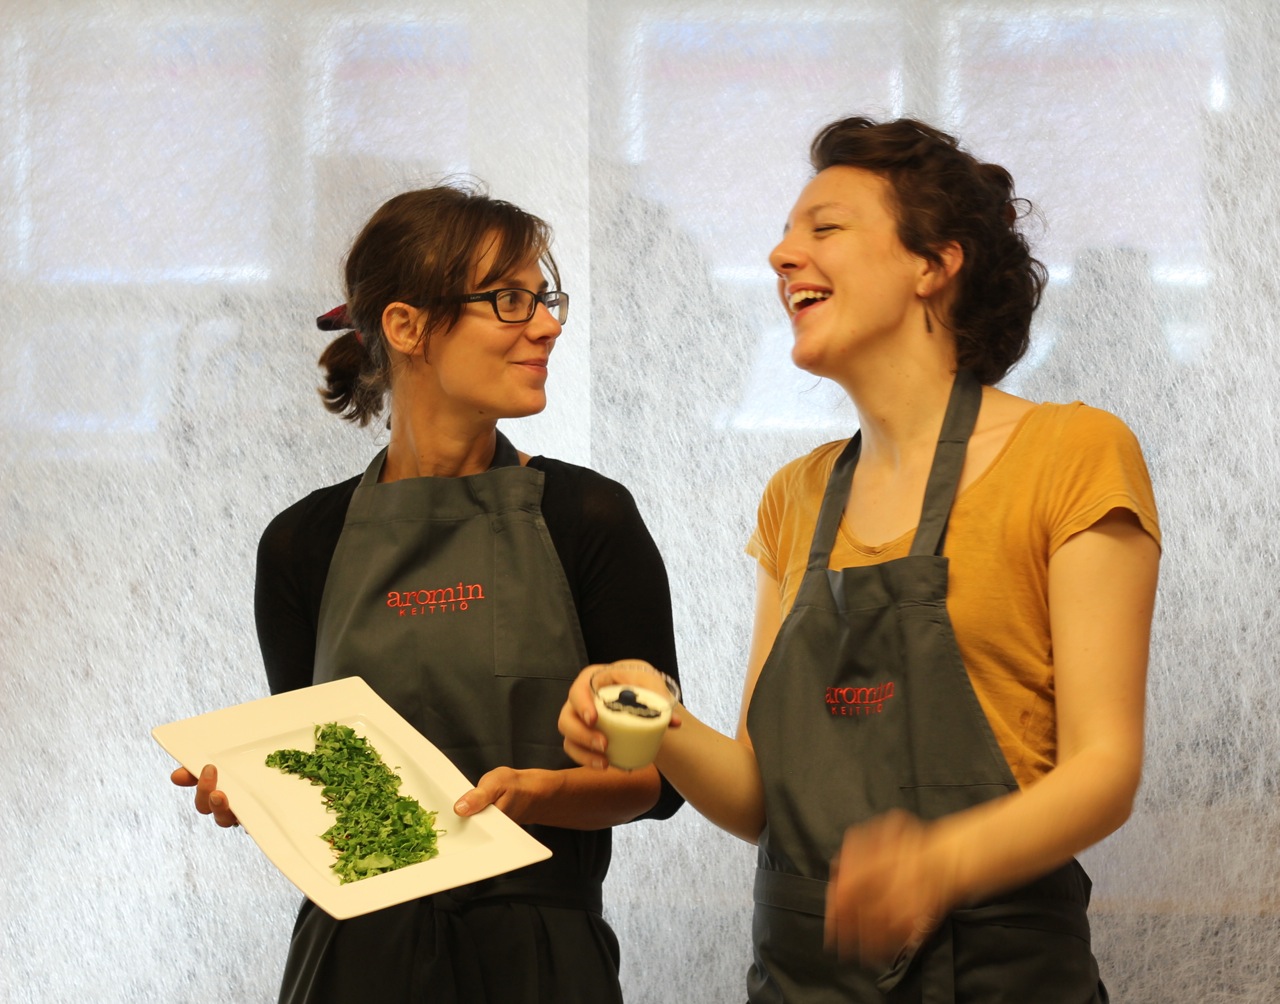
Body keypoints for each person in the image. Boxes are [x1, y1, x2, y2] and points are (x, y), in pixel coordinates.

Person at [561, 117, 1160, 1002]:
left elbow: (1104, 773)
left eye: (825, 227)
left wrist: (936, 864)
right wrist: (655, 719)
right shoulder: (796, 497)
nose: (781, 255)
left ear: (934, 264)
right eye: (786, 234)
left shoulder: (1072, 453)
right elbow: (760, 799)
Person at [171, 184, 683, 1003]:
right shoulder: (302, 543)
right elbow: (331, 793)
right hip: (353, 959)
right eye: (509, 300)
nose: (547, 325)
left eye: (544, 298)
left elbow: (656, 778)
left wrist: (543, 792)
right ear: (407, 326)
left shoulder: (588, 518)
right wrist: (259, 793)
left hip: (540, 958)